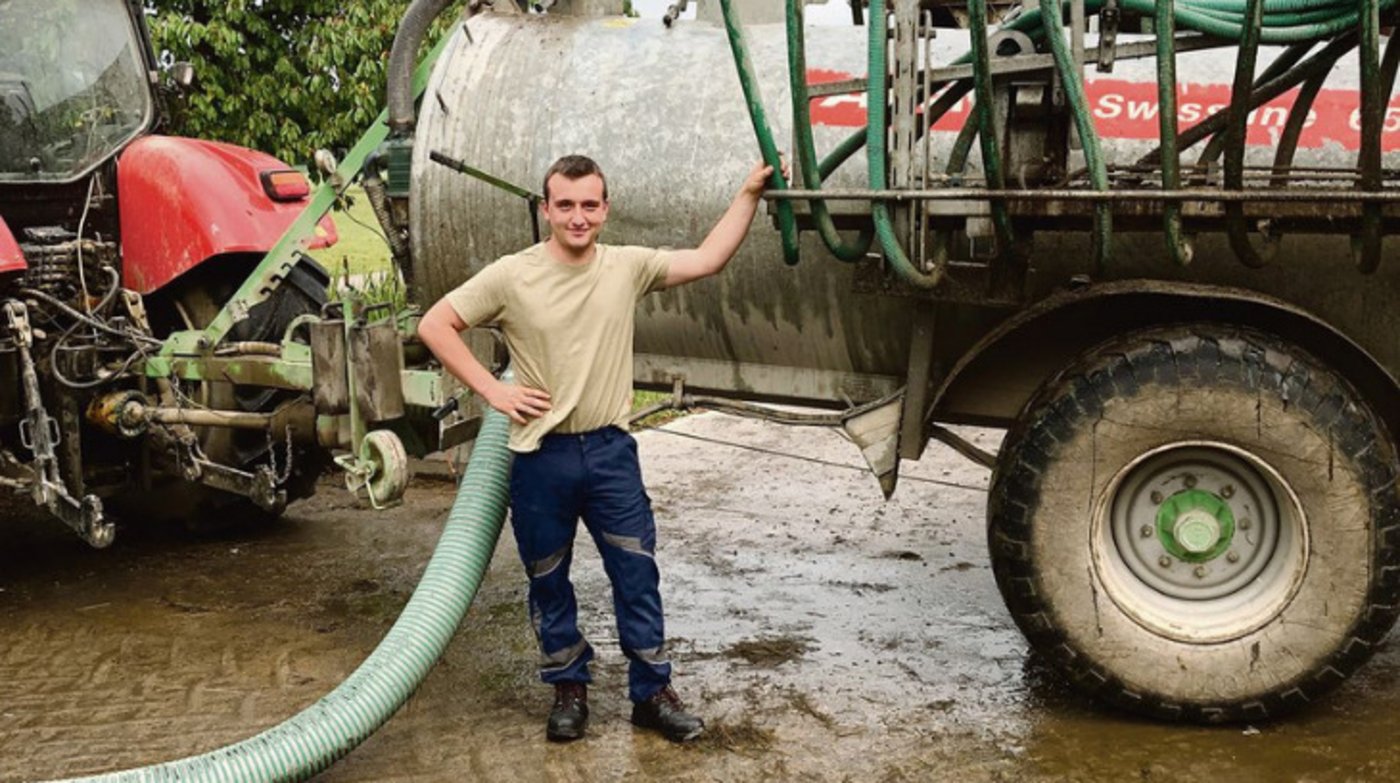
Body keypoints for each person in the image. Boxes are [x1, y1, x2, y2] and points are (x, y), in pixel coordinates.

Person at [418, 154, 779, 743]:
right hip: (542, 458)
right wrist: (491, 392)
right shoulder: (512, 275)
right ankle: (568, 689)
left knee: (636, 575)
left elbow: (710, 258)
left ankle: (652, 694)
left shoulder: (626, 267)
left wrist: (748, 193)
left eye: (590, 205)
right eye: (565, 205)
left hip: (611, 451)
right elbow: (435, 324)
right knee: (548, 579)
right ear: (546, 210)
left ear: (605, 210)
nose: (578, 217)